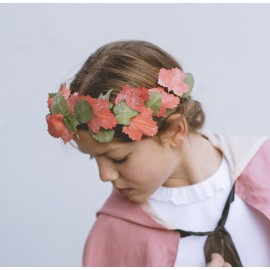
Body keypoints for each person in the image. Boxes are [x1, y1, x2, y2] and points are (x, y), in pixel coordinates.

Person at [46, 40, 270, 267]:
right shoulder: (115, 233)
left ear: (175, 131)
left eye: (118, 158)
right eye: (94, 157)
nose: (104, 175)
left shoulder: (264, 166)